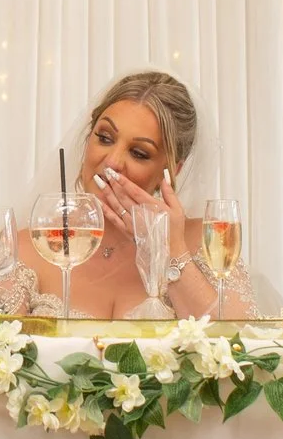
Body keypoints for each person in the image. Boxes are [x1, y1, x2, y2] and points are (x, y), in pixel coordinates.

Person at [17, 71, 219, 317]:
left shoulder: (207, 244)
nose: (112, 162)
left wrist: (171, 249)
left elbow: (239, 338)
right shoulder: (25, 248)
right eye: (104, 138)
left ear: (171, 171)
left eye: (139, 153)